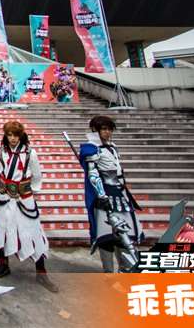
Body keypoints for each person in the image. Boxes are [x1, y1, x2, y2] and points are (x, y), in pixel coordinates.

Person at [0, 121, 58, 293]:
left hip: (24, 198)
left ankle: (41, 272)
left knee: (34, 233)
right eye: (9, 135)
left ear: (21, 136)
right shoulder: (0, 152)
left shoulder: (30, 153)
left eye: (15, 135)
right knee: (3, 231)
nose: (13, 138)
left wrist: (31, 191)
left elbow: (37, 176)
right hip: (4, 197)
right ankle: (4, 265)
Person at [79, 115, 143, 273]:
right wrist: (101, 196)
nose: (107, 132)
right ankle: (109, 273)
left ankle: (125, 269)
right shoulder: (91, 148)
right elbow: (93, 174)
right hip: (104, 195)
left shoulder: (113, 147)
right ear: (95, 130)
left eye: (109, 129)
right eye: (104, 129)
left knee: (125, 234)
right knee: (106, 236)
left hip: (120, 194)